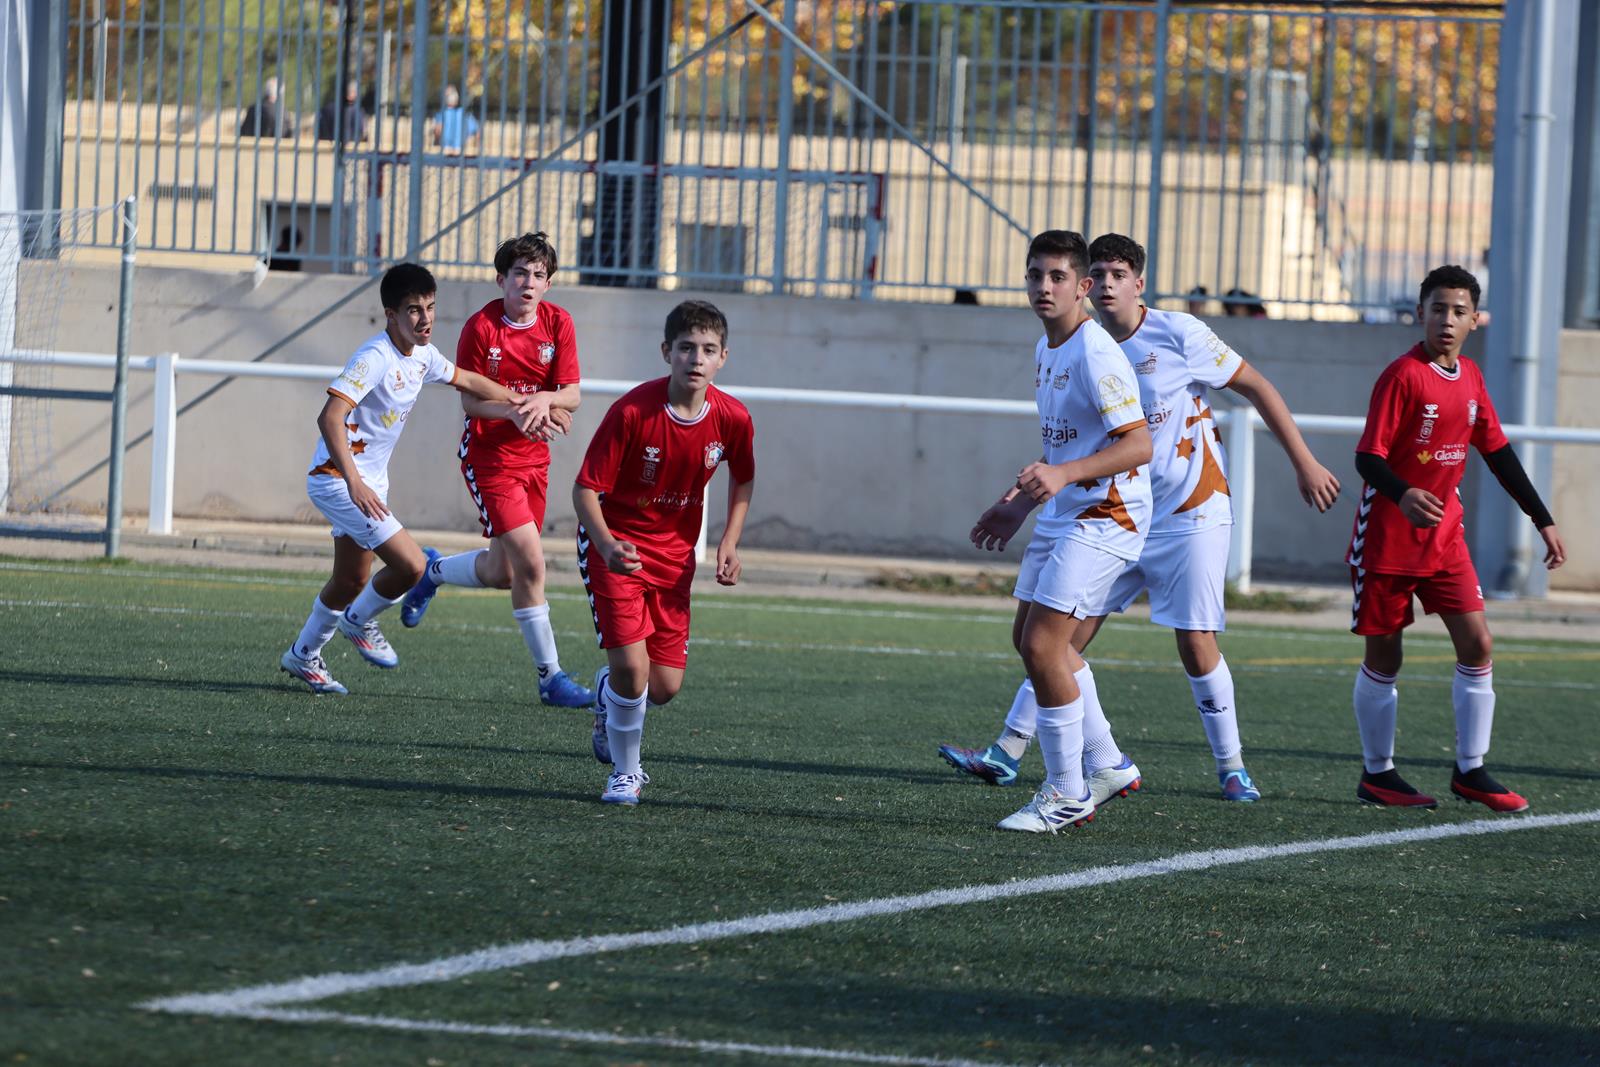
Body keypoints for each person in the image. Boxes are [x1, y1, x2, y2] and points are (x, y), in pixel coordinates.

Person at [941, 233, 1342, 805]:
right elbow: (1070, 442)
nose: (1106, 284)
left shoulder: (1176, 335)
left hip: (1189, 511)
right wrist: (1025, 498)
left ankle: (1230, 767)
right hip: (1115, 511)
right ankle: (1019, 751)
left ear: (1138, 283)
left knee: (1192, 641)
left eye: (1117, 274)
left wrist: (1304, 461)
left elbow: (1254, 386)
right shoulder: (1073, 343)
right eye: (1098, 273)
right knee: (1056, 639)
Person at [946, 230, 1154, 833]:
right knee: (1034, 643)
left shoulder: (1095, 352)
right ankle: (1107, 763)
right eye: (1036, 274)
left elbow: (1138, 444)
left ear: (1082, 286)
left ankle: (1067, 793)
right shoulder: (1048, 347)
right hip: (1068, 509)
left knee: (1044, 646)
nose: (1044, 286)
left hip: (1108, 512)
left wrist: (1061, 476)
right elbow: (1064, 446)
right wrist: (1017, 503)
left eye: (1058, 276)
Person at [1347, 265, 1565, 811]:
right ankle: (1378, 774)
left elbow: (1499, 453)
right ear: (1420, 313)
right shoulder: (1402, 376)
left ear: (1474, 320)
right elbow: (1368, 458)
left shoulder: (1470, 376)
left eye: (1459, 311)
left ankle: (1471, 770)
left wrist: (1542, 518)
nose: (1447, 319)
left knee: (1478, 644)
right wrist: (1403, 494)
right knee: (1385, 658)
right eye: (1438, 308)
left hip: (1445, 541)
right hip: (1388, 541)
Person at [279, 263, 542, 694]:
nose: (425, 319)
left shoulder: (422, 354)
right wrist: (354, 483)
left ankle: (303, 654)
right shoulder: (374, 357)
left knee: (351, 579)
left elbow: (467, 379)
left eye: (430, 307)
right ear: (391, 315)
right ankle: (358, 621)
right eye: (414, 310)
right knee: (413, 565)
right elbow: (330, 417)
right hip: (338, 480)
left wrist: (522, 401)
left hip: (368, 483)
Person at [398, 232, 593, 708]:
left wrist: (546, 401)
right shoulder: (481, 327)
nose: (529, 283)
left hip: (535, 460)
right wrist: (518, 411)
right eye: (520, 273)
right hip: (490, 460)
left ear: (548, 284)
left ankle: (432, 571)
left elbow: (572, 394)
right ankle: (550, 677)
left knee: (503, 572)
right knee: (532, 562)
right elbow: (471, 403)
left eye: (538, 275)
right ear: (502, 279)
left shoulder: (559, 323)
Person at [573, 300, 755, 805]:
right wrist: (606, 544)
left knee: (664, 686)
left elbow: (743, 476)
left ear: (723, 358)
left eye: (708, 350)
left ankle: (608, 693)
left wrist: (729, 541)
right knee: (634, 672)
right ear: (666, 352)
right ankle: (626, 774)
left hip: (675, 559)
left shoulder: (733, 418)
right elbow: (585, 489)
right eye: (686, 348)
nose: (696, 359)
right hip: (618, 548)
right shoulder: (632, 411)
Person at [431, 85, 479, 153]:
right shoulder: (464, 114)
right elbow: (476, 132)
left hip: (445, 151)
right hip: (460, 151)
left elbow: (438, 131)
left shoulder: (441, 114)